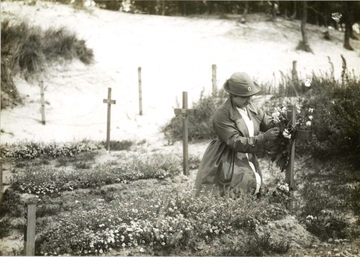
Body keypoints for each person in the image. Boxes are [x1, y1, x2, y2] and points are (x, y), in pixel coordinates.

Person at [194, 72, 279, 198]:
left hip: (247, 153)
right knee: (231, 191)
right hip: (227, 157)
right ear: (233, 96)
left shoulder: (251, 107)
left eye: (250, 96)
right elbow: (235, 141)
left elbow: (267, 122)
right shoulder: (222, 114)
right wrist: (264, 137)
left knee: (252, 185)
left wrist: (283, 123)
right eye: (244, 97)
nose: (249, 100)